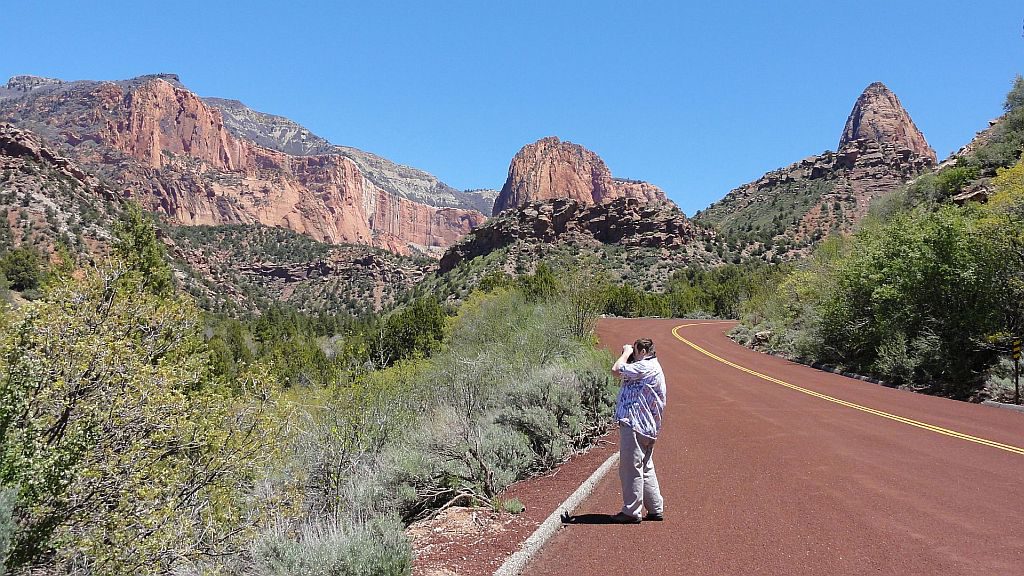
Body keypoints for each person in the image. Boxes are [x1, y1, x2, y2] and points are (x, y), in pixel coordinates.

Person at [610, 337, 666, 524]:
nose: (633, 355)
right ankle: (655, 507)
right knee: (645, 466)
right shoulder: (652, 367)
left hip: (636, 424)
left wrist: (625, 353)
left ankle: (631, 511)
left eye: (636, 352)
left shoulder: (645, 367)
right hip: (647, 426)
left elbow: (616, 370)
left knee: (630, 467)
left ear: (643, 352)